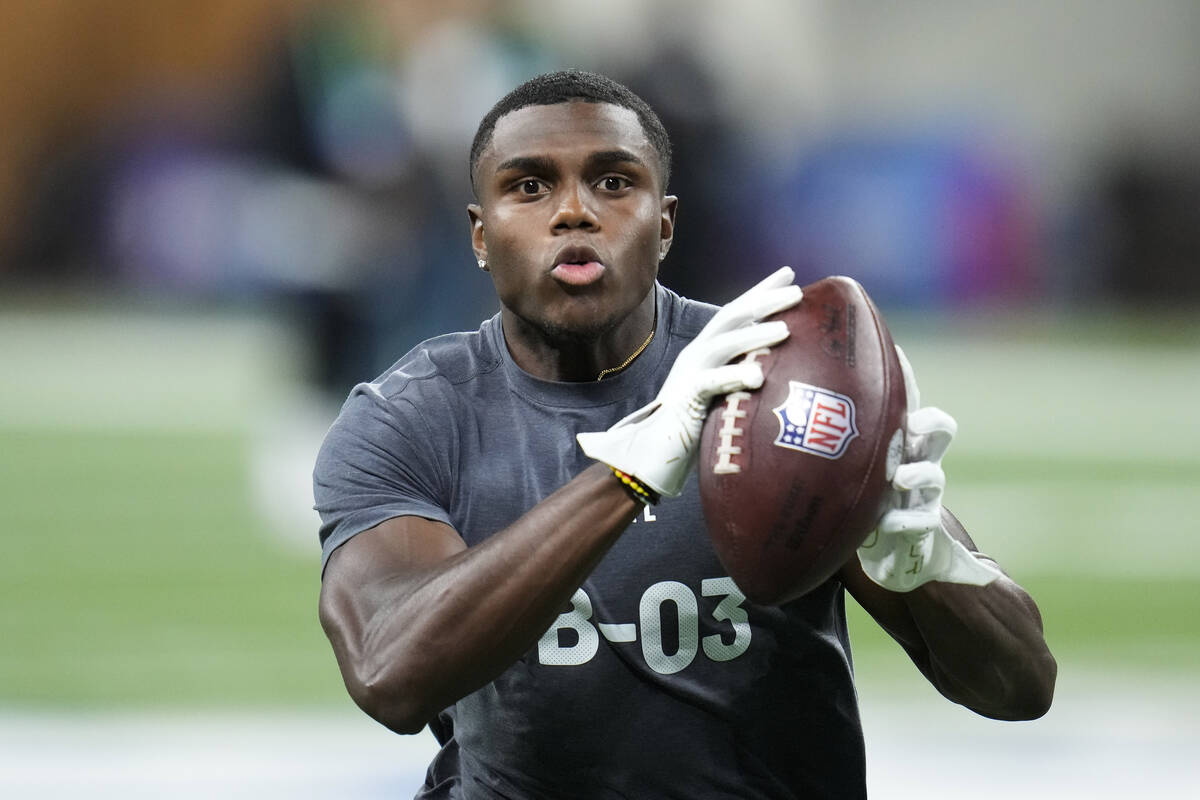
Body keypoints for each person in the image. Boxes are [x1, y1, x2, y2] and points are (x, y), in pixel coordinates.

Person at [314, 70, 1056, 799]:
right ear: (480, 234)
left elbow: (1022, 688)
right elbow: (389, 675)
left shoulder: (776, 375)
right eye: (529, 186)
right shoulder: (411, 416)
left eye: (613, 182)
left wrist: (933, 573)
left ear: (664, 223)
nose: (574, 211)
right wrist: (625, 476)